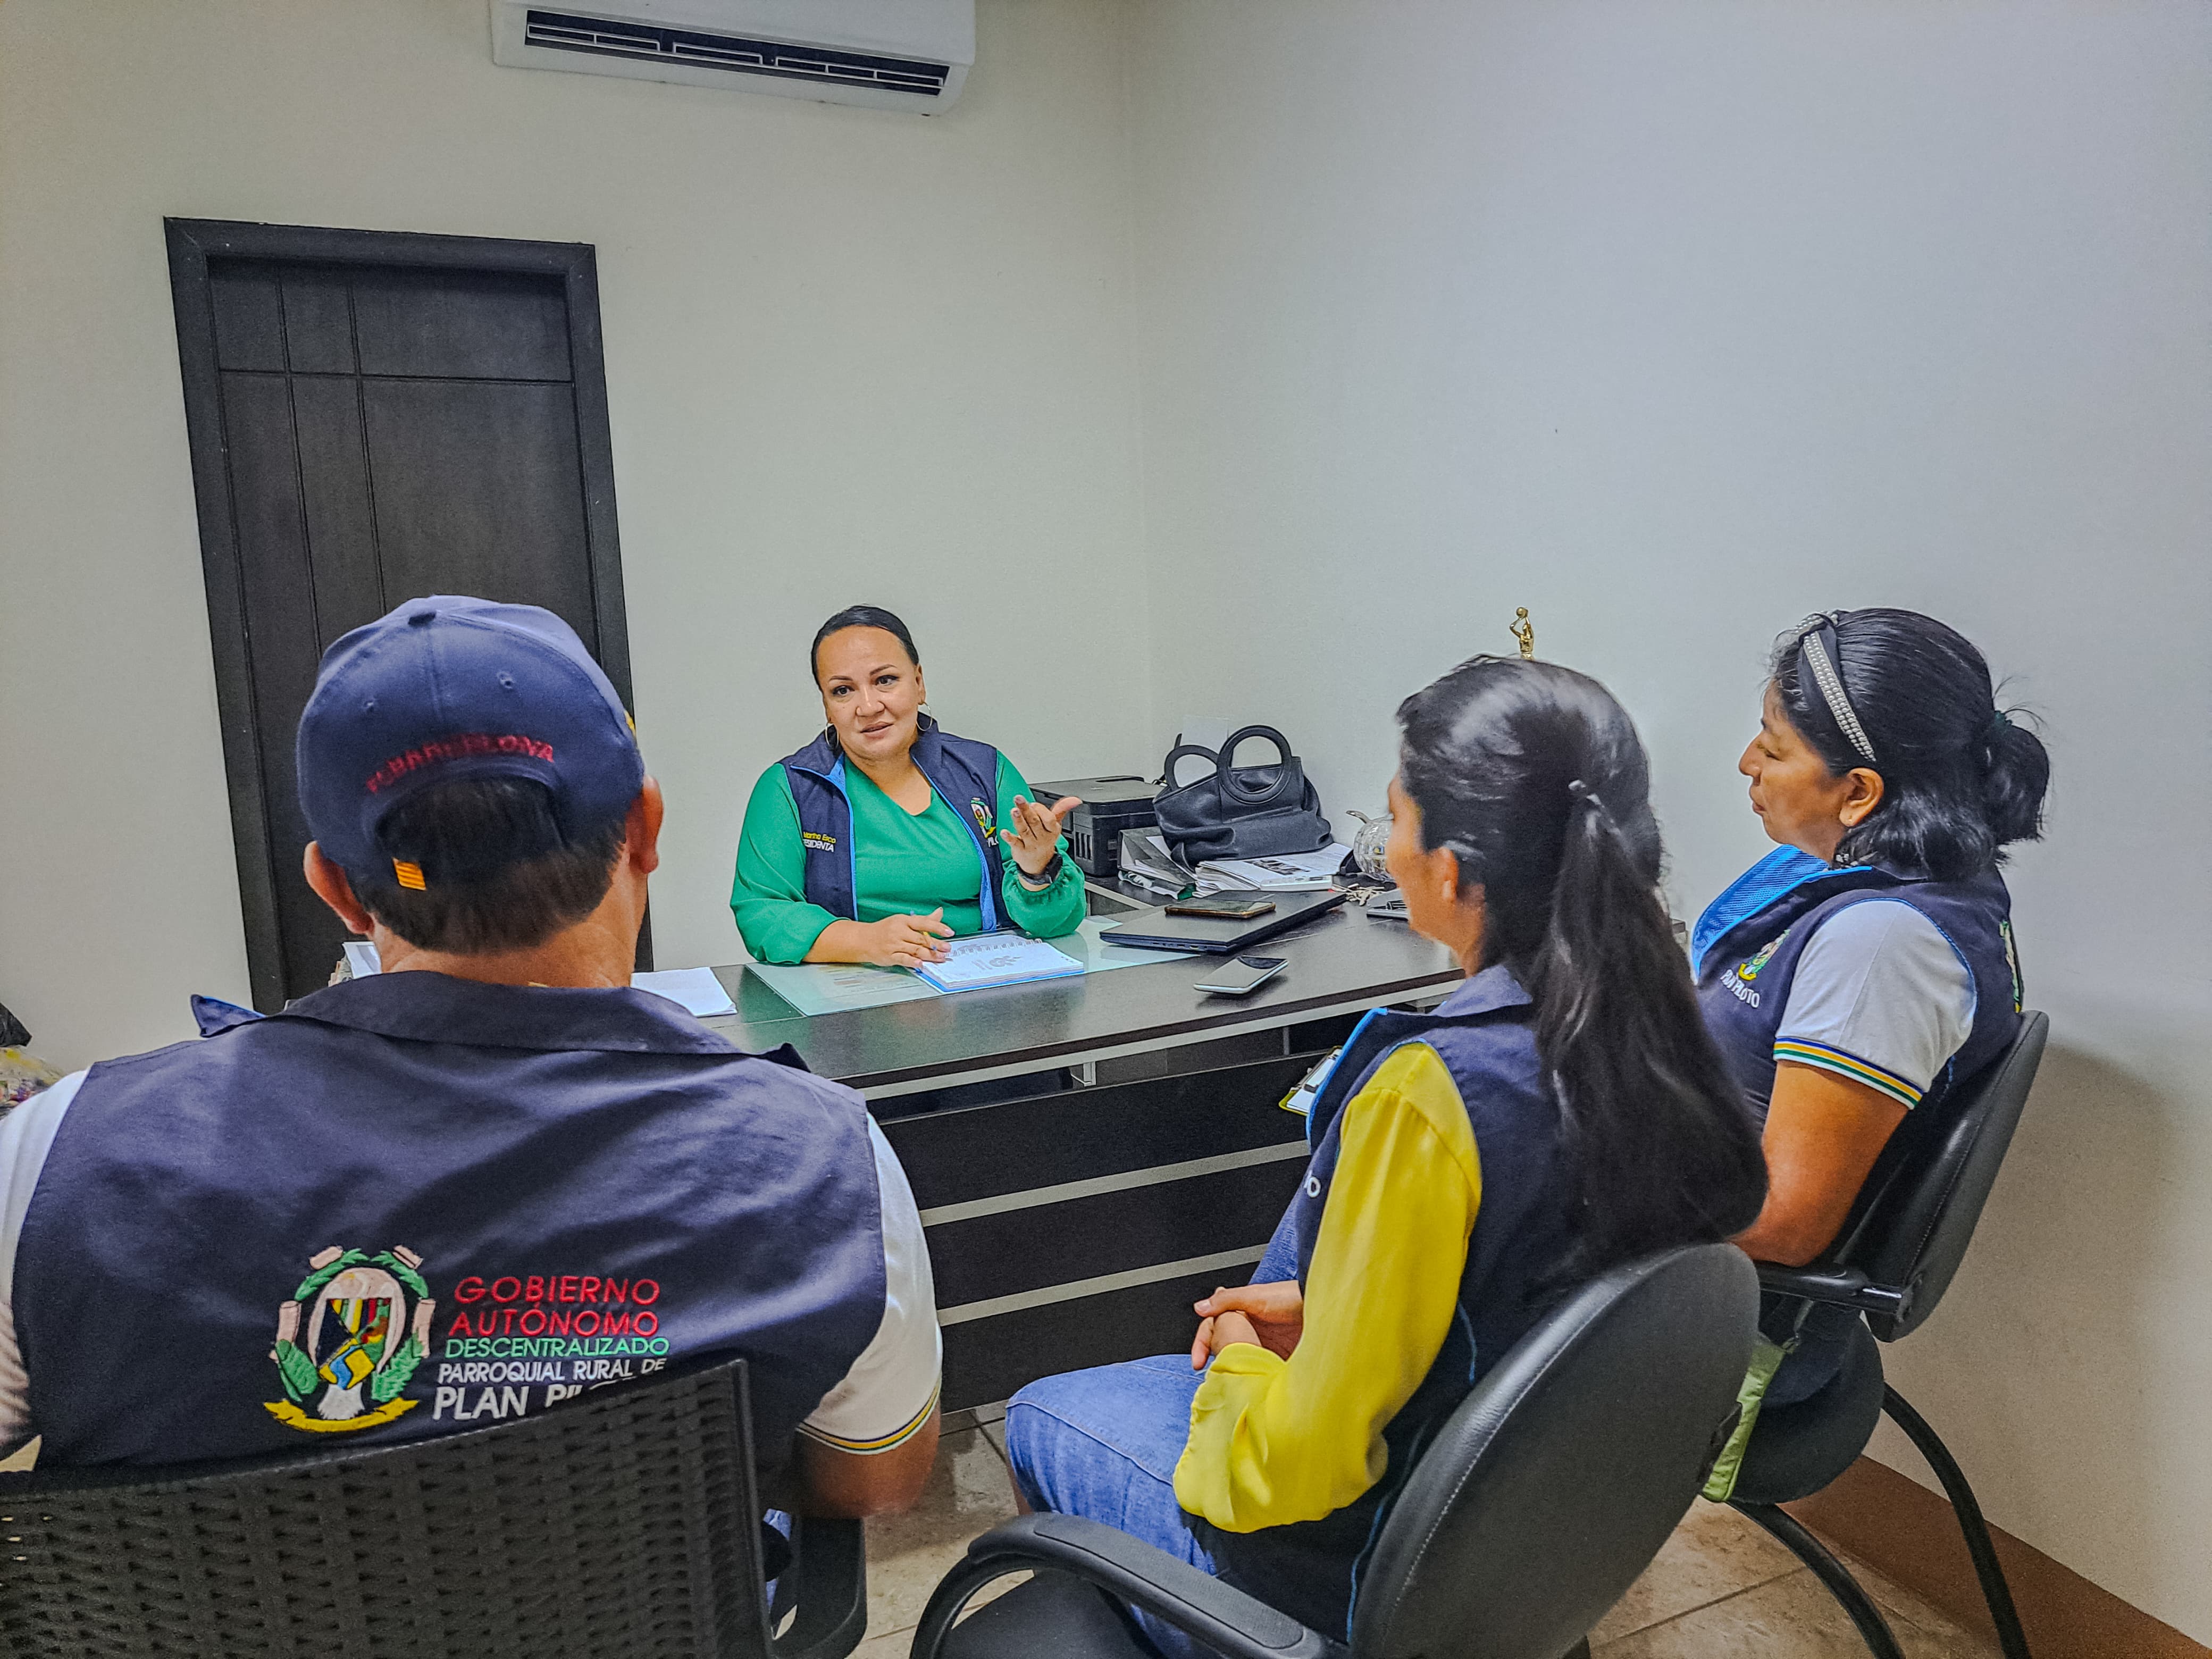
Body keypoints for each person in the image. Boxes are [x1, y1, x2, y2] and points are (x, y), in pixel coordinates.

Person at [0, 597, 939, 1523]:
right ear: (646, 830)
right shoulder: (825, 1162)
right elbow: (875, 1485)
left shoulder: (55, 1160)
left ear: (335, 889)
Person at [1004, 656, 1769, 1652]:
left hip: (1373, 1580)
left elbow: (1302, 1467)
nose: (1387, 847)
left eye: (1396, 819)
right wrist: (1334, 1309)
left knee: (1042, 1413)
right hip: (1532, 1545)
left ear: (1449, 871)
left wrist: (1239, 1365)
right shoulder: (1663, 1028)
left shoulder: (1430, 1097)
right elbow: (1530, 1290)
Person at [1692, 608, 2050, 1405]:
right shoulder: (1917, 880)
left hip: (1707, 1324)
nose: (1747, 762)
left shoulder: (1883, 948)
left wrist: (1571, 1168)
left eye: (1772, 747)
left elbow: (1783, 1222)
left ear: (1858, 792)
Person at [730, 605, 1087, 968]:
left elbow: (1057, 923)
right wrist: (862, 942)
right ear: (827, 706)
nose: (869, 707)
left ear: (919, 683)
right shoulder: (790, 788)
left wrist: (1036, 869)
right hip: (854, 993)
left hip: (984, 983)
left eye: (885, 680)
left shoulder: (985, 770)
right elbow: (762, 913)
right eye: (843, 690)